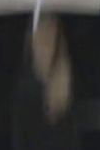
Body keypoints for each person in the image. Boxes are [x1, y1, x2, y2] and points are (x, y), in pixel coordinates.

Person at [12, 14, 81, 150]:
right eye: (40, 38)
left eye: (49, 37)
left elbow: (72, 139)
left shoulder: (65, 83)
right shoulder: (24, 88)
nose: (45, 44)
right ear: (31, 42)